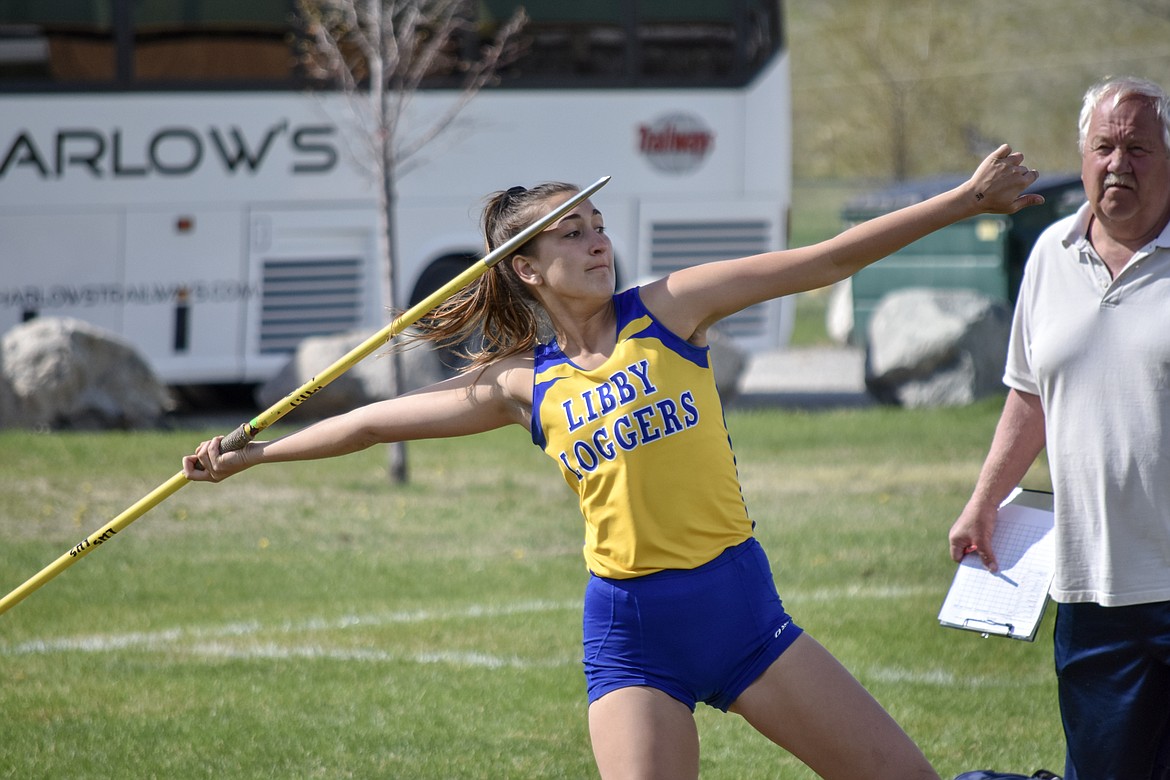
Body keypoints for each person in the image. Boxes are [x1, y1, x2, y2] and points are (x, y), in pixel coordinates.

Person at [186, 146, 1041, 780]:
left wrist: (962, 201)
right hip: (630, 637)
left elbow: (824, 262)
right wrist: (253, 455)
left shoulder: (672, 308)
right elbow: (372, 424)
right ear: (525, 269)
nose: (599, 243)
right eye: (572, 234)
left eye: (597, 227)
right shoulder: (523, 385)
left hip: (738, 609)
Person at [949, 76, 1170, 780]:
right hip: (1091, 587)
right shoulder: (1050, 254)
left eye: (1138, 147)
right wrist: (985, 499)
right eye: (1104, 146)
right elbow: (1028, 397)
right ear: (1082, 156)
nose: (1118, 163)